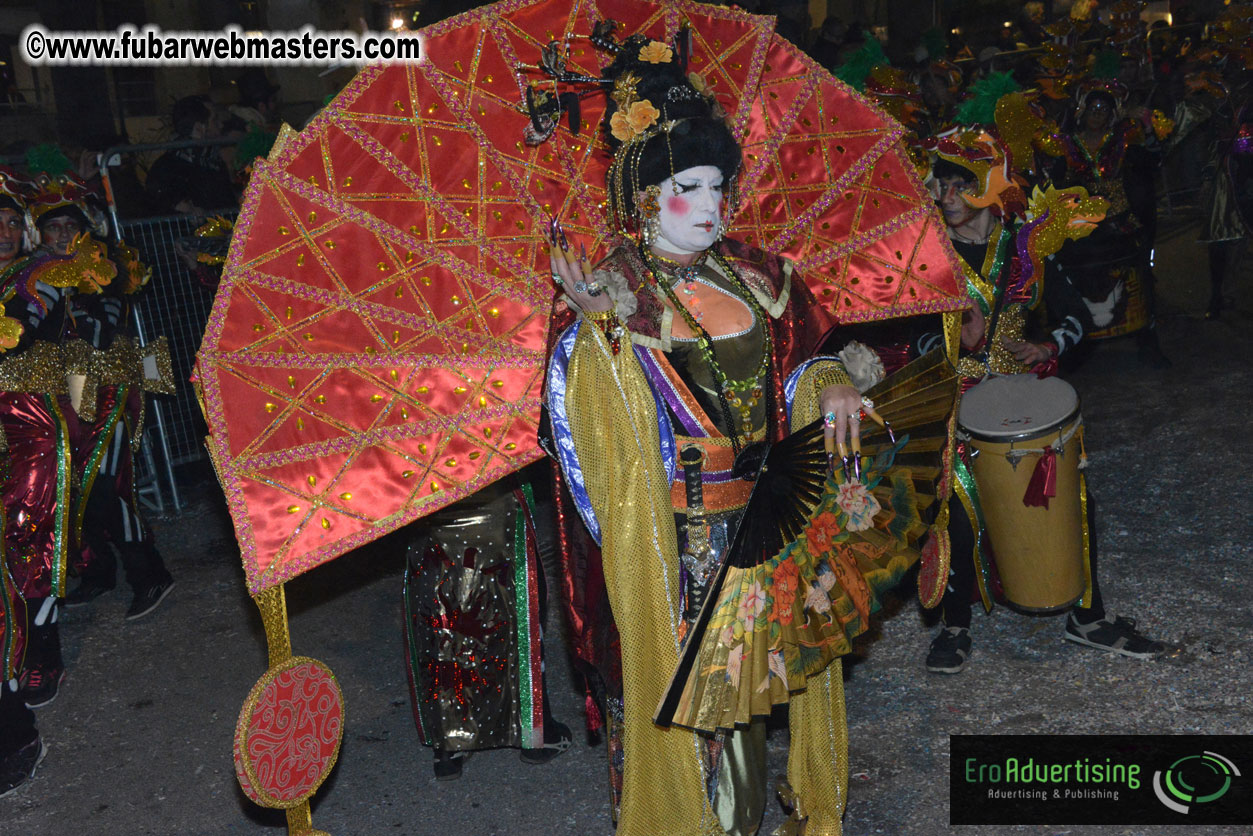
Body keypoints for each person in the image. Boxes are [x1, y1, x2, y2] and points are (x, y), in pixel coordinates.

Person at [544, 35, 934, 836]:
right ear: (643, 199)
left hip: (770, 517)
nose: (711, 205)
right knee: (691, 709)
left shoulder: (758, 277)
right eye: (687, 188)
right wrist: (601, 338)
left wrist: (831, 386)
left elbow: (800, 365)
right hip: (676, 541)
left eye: (718, 185)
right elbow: (590, 441)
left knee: (750, 703)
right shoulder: (613, 293)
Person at [919, 146, 1166, 674]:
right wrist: (950, 342)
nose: (948, 197)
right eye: (942, 186)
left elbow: (1078, 317)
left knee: (1077, 499)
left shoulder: (1025, 247)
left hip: (1020, 395)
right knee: (957, 512)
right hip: (956, 401)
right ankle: (955, 625)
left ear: (991, 189)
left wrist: (1048, 346)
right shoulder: (927, 255)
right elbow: (908, 340)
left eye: (962, 185)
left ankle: (1087, 617)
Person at [401, 465, 571, 780]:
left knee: (442, 606)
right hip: (491, 480)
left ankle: (449, 744)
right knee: (512, 601)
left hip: (428, 482)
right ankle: (535, 736)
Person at [0, 167, 47, 796]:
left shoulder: (41, 282)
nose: (6, 233)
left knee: (36, 541)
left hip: (34, 431)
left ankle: (15, 728)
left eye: (13, 222)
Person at [145, 95, 237, 215]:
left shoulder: (213, 161)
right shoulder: (170, 167)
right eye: (214, 120)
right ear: (199, 128)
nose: (221, 125)